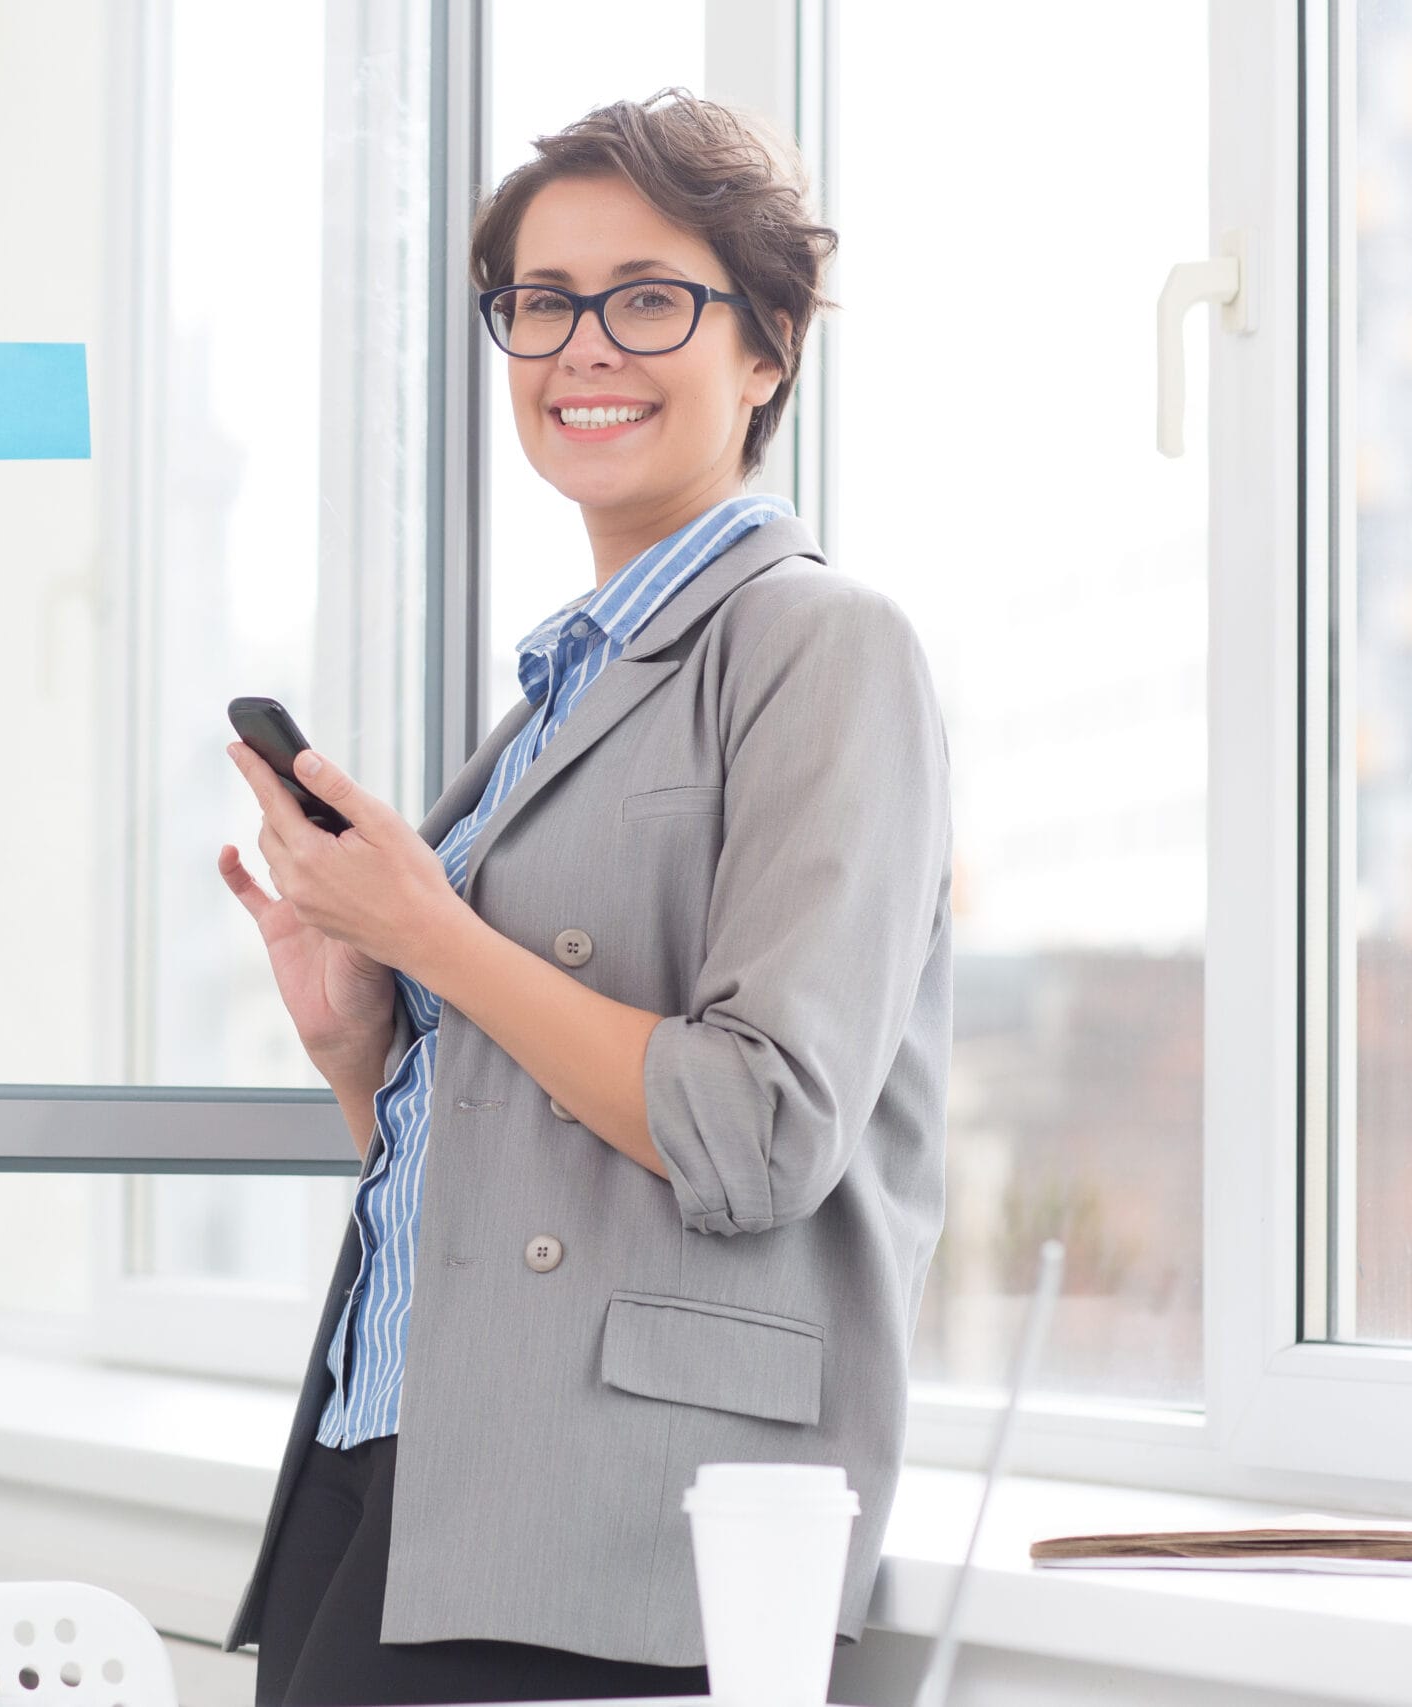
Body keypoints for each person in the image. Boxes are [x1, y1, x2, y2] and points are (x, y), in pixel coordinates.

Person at [213, 88, 954, 1706]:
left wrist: (434, 935)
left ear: (767, 349)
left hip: (616, 1518)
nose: (582, 348)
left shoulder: (825, 646)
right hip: (394, 1457)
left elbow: (761, 1132)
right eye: (542, 303)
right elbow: (533, 1161)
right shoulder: (557, 696)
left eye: (648, 300)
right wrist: (364, 1048)